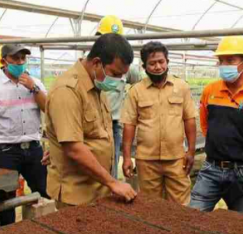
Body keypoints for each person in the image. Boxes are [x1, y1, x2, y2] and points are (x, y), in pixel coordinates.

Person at [46, 33, 137, 208]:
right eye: (115, 74)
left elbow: (97, 134)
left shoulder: (97, 85)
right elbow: (73, 148)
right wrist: (112, 182)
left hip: (98, 190)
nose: (118, 81)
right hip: (76, 196)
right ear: (96, 63)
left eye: (122, 77)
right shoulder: (67, 90)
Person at [189, 36, 243, 214]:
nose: (225, 65)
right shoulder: (210, 90)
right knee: (193, 215)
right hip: (211, 168)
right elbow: (205, 123)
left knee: (239, 224)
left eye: (230, 60)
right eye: (221, 60)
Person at [0, 44, 48, 225]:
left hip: (33, 149)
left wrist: (34, 88)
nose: (20, 62)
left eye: (23, 59)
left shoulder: (35, 83)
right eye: (15, 59)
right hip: (4, 151)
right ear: (4, 61)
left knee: (44, 191)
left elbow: (47, 107)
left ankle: (44, 231)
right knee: (6, 200)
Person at [120, 41, 197, 205]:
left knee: (181, 206)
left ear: (167, 62)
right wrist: (127, 157)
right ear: (144, 66)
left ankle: (179, 231)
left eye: (161, 62)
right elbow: (129, 125)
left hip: (177, 159)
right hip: (147, 161)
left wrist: (191, 151)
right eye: (152, 63)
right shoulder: (136, 91)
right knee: (151, 206)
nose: (157, 67)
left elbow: (189, 119)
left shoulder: (181, 87)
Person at [96, 15, 142, 179]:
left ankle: (110, 191)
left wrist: (130, 102)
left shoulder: (127, 68)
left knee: (111, 163)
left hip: (114, 123)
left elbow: (141, 84)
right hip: (93, 122)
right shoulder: (93, 64)